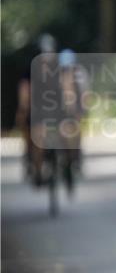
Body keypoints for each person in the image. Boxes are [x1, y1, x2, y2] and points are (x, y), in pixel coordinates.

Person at [16, 34, 57, 186]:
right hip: (37, 108)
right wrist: (24, 108)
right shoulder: (31, 68)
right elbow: (25, 89)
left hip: (54, 108)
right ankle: (37, 168)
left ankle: (68, 161)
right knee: (35, 136)